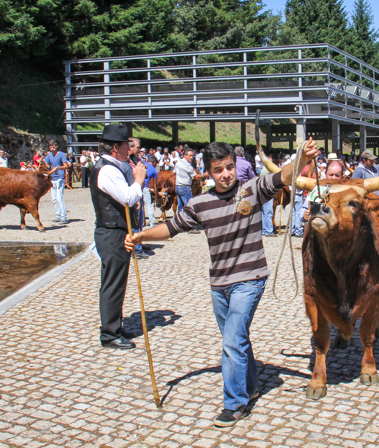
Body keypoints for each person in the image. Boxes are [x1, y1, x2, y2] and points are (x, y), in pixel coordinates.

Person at [125, 137, 318, 427]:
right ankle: (251, 386)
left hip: (250, 278)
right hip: (219, 283)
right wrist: (141, 235)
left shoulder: (251, 190)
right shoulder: (199, 203)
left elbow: (285, 176)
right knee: (236, 339)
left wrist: (302, 156)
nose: (226, 174)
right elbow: (171, 228)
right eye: (218, 170)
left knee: (232, 340)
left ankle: (235, 404)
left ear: (235, 166)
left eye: (229, 167)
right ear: (209, 173)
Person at [91, 125, 147, 350]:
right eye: (126, 145)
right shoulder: (107, 169)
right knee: (113, 283)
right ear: (116, 148)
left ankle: (115, 324)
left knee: (117, 281)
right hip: (112, 232)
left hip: (116, 231)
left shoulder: (111, 166)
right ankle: (109, 334)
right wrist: (139, 180)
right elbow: (127, 197)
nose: (129, 149)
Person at [45, 140, 70, 224]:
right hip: (53, 178)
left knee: (60, 197)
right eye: (50, 147)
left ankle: (64, 217)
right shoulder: (49, 155)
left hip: (60, 177)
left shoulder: (61, 154)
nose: (52, 149)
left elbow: (66, 166)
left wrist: (59, 168)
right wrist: (43, 162)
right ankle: (58, 215)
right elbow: (48, 166)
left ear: (56, 146)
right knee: (54, 199)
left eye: (53, 147)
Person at [174, 147, 206, 213]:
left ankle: (180, 222)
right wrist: (205, 175)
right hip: (185, 187)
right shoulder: (187, 165)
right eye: (190, 156)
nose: (191, 157)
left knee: (180, 208)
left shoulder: (178, 162)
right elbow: (197, 177)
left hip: (177, 186)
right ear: (185, 155)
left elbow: (173, 172)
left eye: (192, 156)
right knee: (190, 207)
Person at [143, 155, 158, 228]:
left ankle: (141, 221)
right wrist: (156, 196)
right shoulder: (154, 171)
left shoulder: (142, 163)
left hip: (137, 185)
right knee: (148, 205)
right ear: (154, 163)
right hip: (145, 187)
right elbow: (155, 185)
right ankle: (152, 222)